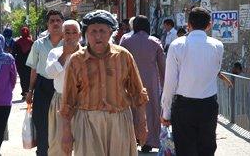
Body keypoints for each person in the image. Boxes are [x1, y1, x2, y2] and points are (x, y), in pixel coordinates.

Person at [60, 10, 149, 156]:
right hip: (88, 122)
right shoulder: (76, 61)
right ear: (86, 34)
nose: (98, 36)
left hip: (119, 120)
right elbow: (68, 100)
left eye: (102, 31)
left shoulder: (123, 56)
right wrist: (66, 133)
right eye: (93, 31)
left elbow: (138, 92)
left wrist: (142, 123)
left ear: (110, 33)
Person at [161, 7, 224, 156]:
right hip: (208, 105)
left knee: (185, 149)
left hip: (184, 107)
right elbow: (215, 70)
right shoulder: (218, 46)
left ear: (188, 24)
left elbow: (170, 83)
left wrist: (166, 112)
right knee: (207, 149)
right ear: (209, 25)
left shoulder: (177, 45)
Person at [121, 15, 165, 152]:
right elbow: (163, 66)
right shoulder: (155, 42)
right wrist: (165, 85)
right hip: (150, 81)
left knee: (132, 108)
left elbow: (119, 62)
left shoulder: (126, 41)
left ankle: (133, 138)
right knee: (151, 109)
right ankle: (149, 141)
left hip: (130, 80)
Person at [25, 9, 64, 156]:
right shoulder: (38, 44)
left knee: (62, 126)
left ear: (62, 23)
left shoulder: (70, 44)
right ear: (47, 25)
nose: (55, 23)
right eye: (51, 21)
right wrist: (30, 91)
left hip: (62, 88)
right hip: (43, 87)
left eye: (58, 20)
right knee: (42, 125)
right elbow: (34, 69)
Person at [45, 20, 82, 156]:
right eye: (67, 33)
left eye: (74, 33)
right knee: (59, 145)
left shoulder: (86, 54)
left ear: (79, 35)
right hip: (60, 101)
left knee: (83, 143)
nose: (71, 36)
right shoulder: (55, 53)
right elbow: (50, 73)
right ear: (62, 35)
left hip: (82, 102)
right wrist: (65, 54)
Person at [13, 27, 33, 100]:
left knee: (22, 78)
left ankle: (24, 92)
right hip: (29, 62)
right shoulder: (31, 42)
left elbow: (13, 53)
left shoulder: (17, 42)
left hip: (20, 63)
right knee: (28, 77)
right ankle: (28, 92)